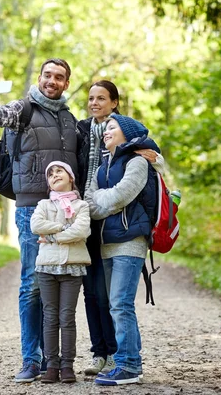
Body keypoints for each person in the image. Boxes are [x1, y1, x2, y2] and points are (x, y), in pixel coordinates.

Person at [0, 58, 79, 383]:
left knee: (58, 283)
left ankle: (55, 361)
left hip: (66, 211)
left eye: (59, 77)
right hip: (32, 209)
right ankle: (30, 359)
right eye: (48, 75)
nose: (52, 81)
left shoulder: (69, 119)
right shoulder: (25, 109)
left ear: (66, 83)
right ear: (40, 77)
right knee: (33, 283)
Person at [76, 81, 165, 376]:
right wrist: (101, 200)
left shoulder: (137, 162)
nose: (106, 133)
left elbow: (117, 197)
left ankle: (128, 366)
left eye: (112, 129)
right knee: (117, 304)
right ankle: (130, 363)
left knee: (120, 304)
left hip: (129, 240)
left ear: (125, 133)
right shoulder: (103, 166)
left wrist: (101, 200)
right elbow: (91, 199)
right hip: (106, 242)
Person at [30, 161, 91, 384]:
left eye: (59, 171)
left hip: (72, 267)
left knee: (67, 317)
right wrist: (66, 228)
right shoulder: (44, 204)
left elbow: (82, 230)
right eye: (50, 174)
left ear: (70, 177)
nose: (54, 175)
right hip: (47, 267)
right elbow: (36, 225)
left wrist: (53, 236)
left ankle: (67, 365)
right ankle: (51, 365)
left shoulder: (81, 206)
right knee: (50, 316)